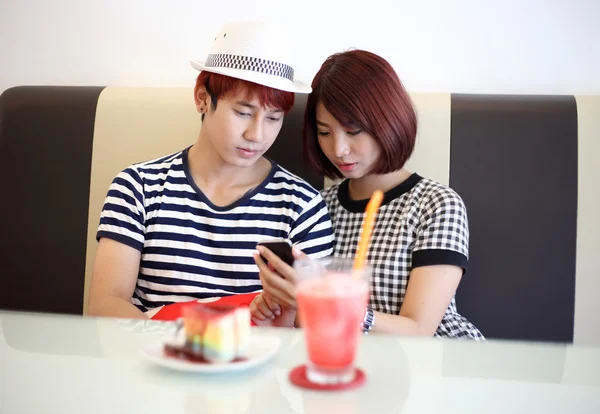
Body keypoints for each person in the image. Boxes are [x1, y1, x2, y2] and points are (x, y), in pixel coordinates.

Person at [88, 21, 334, 319]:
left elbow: (308, 324)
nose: (257, 135)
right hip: (150, 358)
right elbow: (104, 306)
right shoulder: (138, 187)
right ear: (203, 98)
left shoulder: (302, 206)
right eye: (243, 112)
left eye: (273, 118)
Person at [251, 49, 484, 339]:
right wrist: (281, 304)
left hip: (432, 363)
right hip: (345, 363)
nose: (338, 149)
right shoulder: (317, 207)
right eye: (324, 132)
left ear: (388, 118)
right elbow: (309, 324)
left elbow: (420, 329)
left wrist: (330, 301)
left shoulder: (436, 204)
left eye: (353, 131)